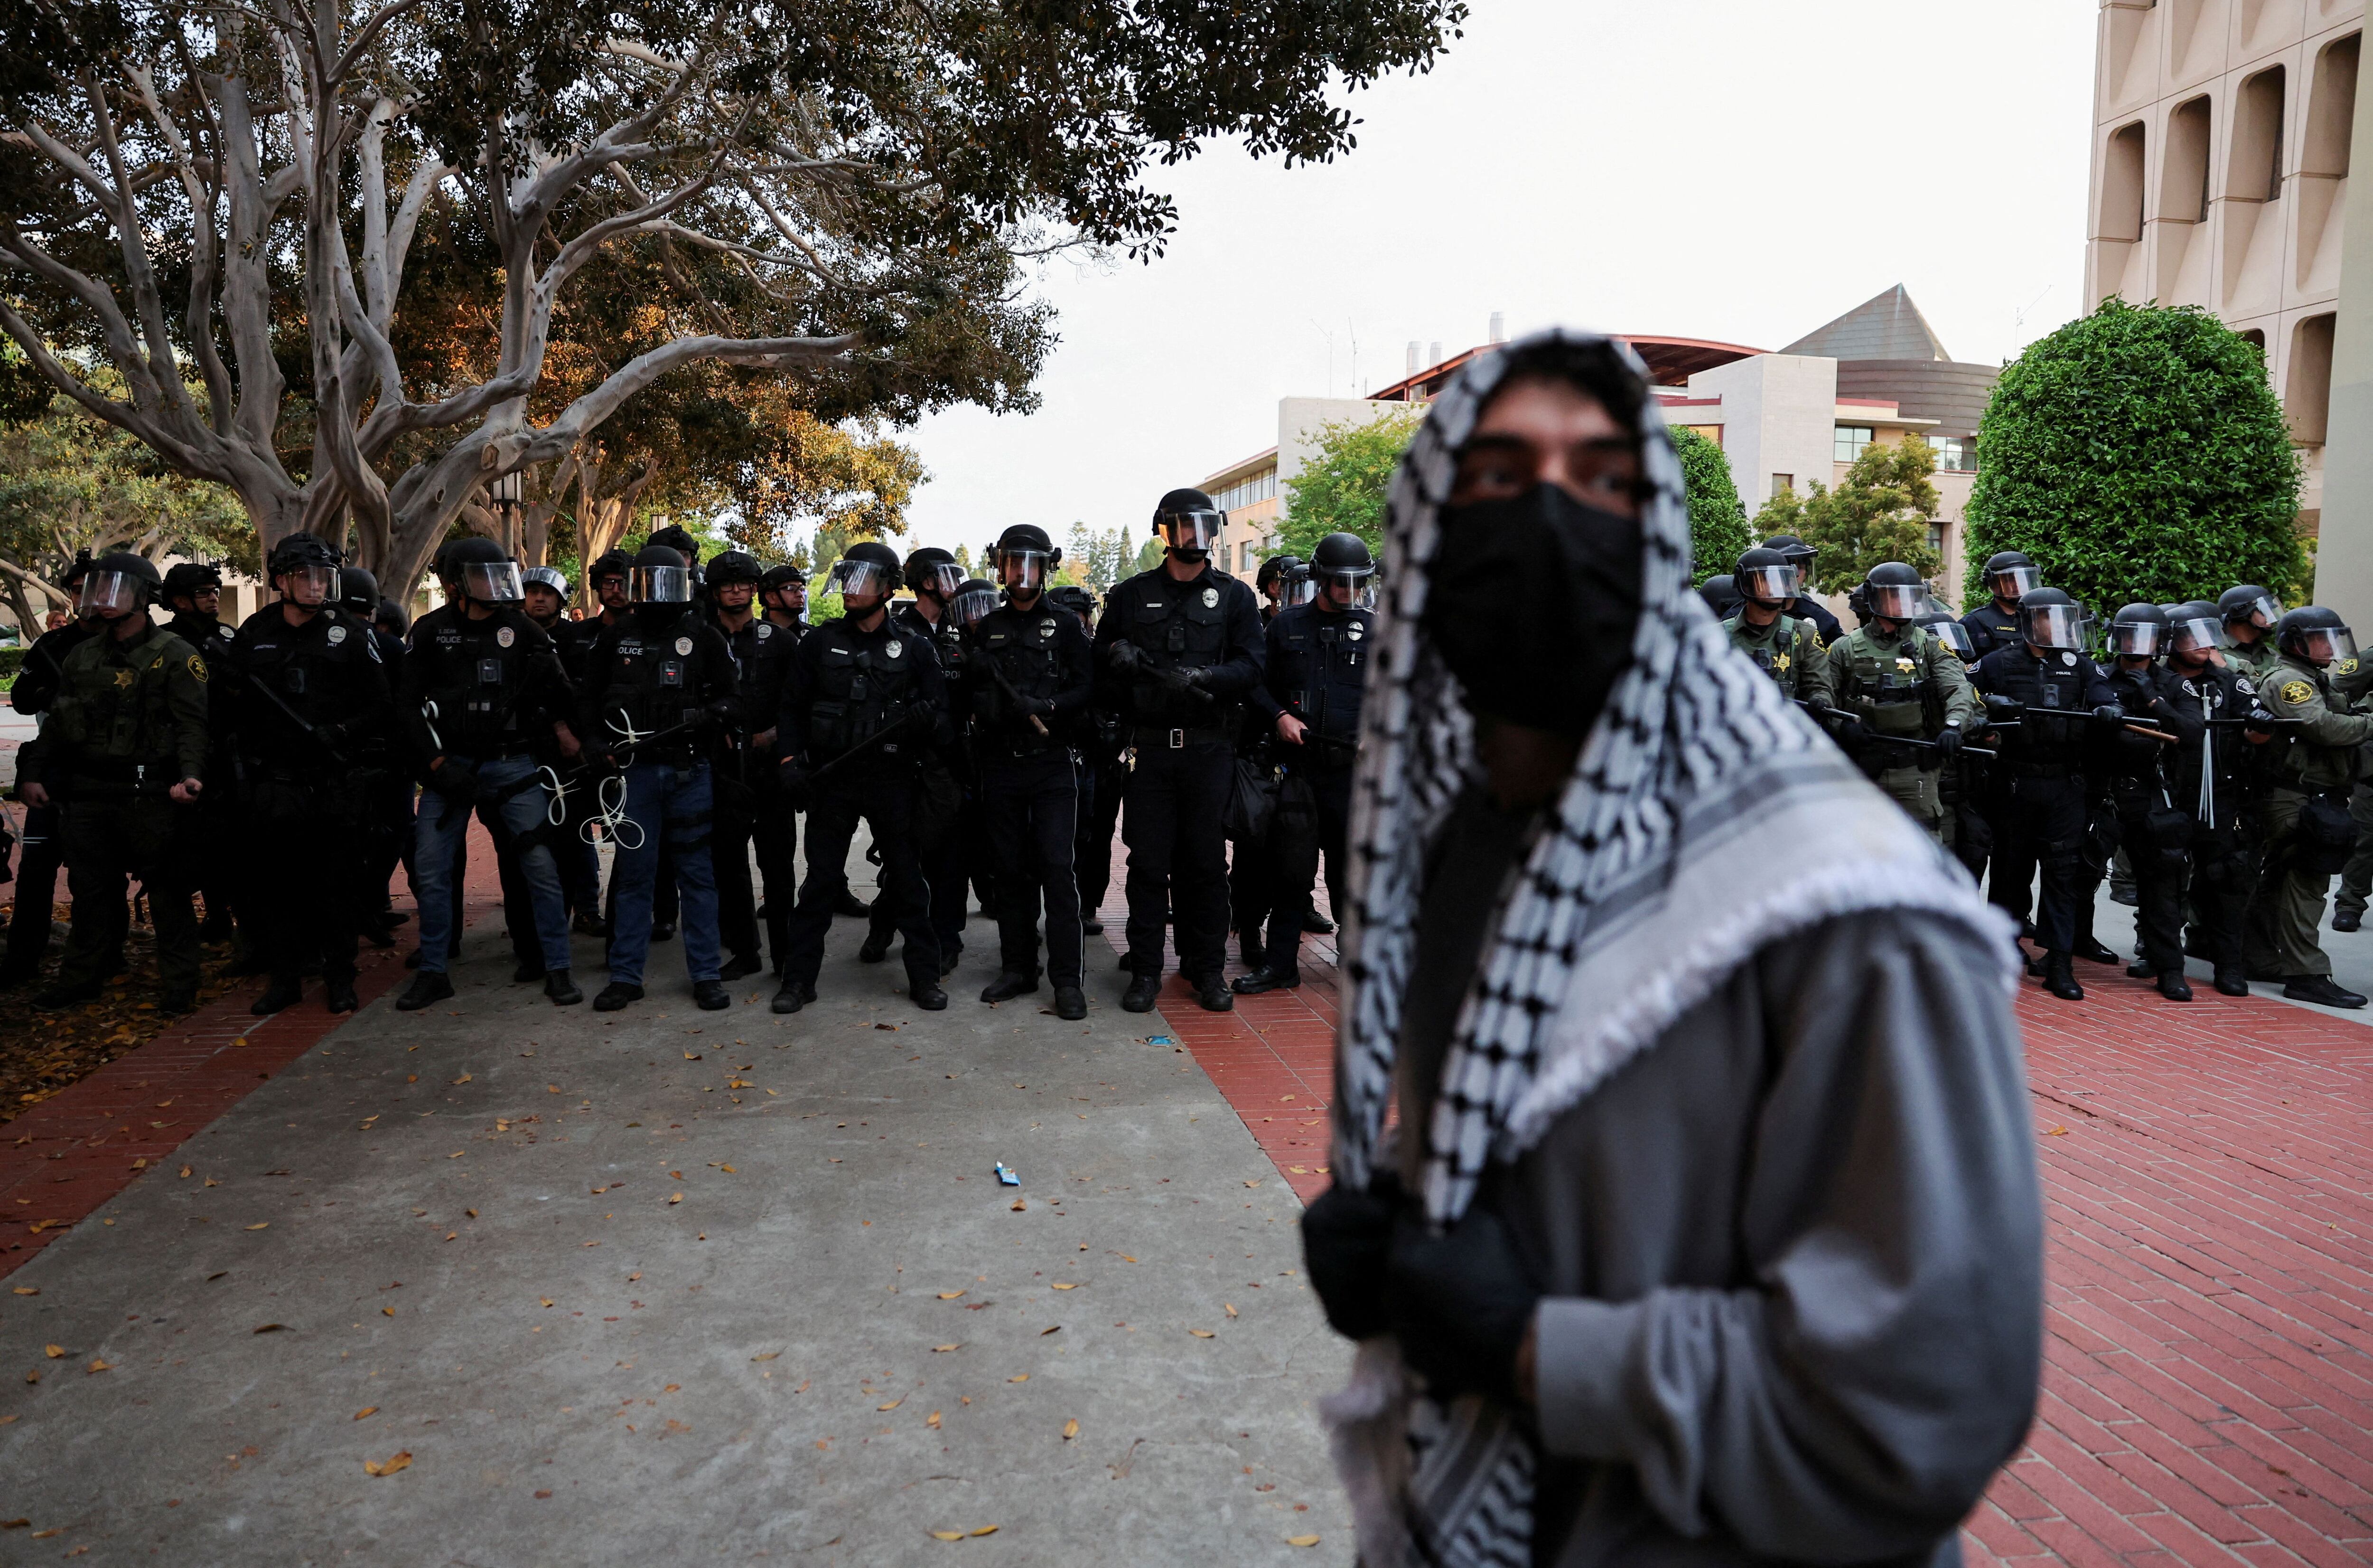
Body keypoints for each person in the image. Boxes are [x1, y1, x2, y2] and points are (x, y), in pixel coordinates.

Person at [1300, 330, 2038, 1568]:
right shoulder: (1461, 838)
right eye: (1496, 476)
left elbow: (1922, 1406)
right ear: (1426, 536)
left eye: (1600, 478)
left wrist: (1535, 1346)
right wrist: (1402, 1211)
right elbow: (1558, 1131)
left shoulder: (1849, 911)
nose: (1546, 516)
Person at [1093, 488, 1266, 1013]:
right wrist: (1116, 654)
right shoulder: (1130, 594)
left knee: (1206, 865)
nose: (1196, 537)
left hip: (1207, 750)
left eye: (1205, 527)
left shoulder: (1234, 596)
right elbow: (1099, 658)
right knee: (1147, 863)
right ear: (1164, 532)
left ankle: (1205, 968)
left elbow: (1252, 665)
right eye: (1184, 527)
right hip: (1148, 752)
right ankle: (1145, 970)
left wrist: (1206, 675)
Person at [395, 537, 583, 1010]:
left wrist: (552, 676)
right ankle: (435, 971)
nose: (496, 584)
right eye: (483, 575)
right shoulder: (431, 630)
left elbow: (565, 700)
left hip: (514, 763)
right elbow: (406, 708)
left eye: (499, 573)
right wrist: (436, 767)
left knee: (540, 867)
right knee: (433, 872)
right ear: (456, 582)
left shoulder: (523, 630)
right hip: (450, 768)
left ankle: (558, 968)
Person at [18, 553, 210, 1013]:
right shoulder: (83, 654)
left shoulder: (176, 653)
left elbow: (192, 725)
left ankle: (180, 984)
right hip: (91, 793)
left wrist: (191, 776)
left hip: (152, 794)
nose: (103, 601)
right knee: (91, 894)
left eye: (117, 591)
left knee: (168, 894)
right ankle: (83, 978)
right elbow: (60, 725)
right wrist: (32, 773)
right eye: (99, 590)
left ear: (144, 598)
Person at [773, 541, 949, 1013]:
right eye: (847, 578)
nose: (851, 590)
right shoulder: (819, 641)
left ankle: (925, 979)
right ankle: (797, 982)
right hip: (833, 780)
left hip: (891, 780)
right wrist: (790, 763)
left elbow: (942, 716)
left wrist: (923, 716)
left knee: (908, 883)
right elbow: (791, 707)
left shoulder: (915, 648)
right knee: (819, 884)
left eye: (863, 580)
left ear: (888, 589)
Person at [227, 534, 395, 1015]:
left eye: (324, 576)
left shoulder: (350, 634)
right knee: (279, 888)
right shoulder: (255, 632)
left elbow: (381, 705)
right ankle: (285, 980)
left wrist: (341, 732)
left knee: (336, 887)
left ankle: (340, 979)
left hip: (334, 783)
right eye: (305, 576)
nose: (317, 585)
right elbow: (233, 707)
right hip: (276, 785)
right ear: (281, 580)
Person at [579, 545, 737, 1012]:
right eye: (650, 582)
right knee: (633, 877)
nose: (659, 594)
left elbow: (733, 698)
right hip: (636, 774)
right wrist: (593, 743)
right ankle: (626, 976)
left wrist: (713, 714)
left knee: (697, 878)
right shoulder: (614, 638)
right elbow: (586, 699)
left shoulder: (704, 638)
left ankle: (706, 974)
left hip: (691, 771)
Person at [1235, 531, 1374, 995]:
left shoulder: (1378, 630)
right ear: (1320, 579)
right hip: (1298, 770)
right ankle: (1280, 965)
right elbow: (1255, 684)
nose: (1350, 592)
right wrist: (1279, 717)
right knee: (1290, 869)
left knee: (1347, 872)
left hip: (1351, 774)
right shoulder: (1287, 626)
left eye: (1358, 583)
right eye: (1341, 582)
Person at [965, 525, 1093, 1018]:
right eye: (1012, 563)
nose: (1021, 574)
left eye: (1031, 564)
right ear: (999, 567)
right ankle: (1018, 968)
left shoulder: (1065, 626)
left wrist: (1049, 705)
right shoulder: (987, 628)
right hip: (1000, 764)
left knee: (1057, 871)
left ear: (1045, 568)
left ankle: (1066, 980)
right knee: (1009, 872)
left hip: (1051, 765)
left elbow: (1088, 688)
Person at [1972, 586, 2122, 1000]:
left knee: (2062, 875)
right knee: (2009, 872)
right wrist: (1988, 705)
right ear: (2027, 622)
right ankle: (2003, 952)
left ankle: (2059, 963)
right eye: (2047, 619)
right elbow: (1966, 701)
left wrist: (2109, 709)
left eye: (2063, 619)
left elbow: (2103, 695)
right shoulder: (1996, 663)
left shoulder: (2080, 665)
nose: (2057, 628)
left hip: (2064, 785)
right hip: (2014, 783)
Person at [2242, 607, 2371, 1007]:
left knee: (2281, 878)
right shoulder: (2288, 681)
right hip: (2294, 794)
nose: (2331, 649)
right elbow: (2325, 727)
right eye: (2321, 640)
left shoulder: (2314, 679)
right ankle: (2307, 972)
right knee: (2309, 878)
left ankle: (2259, 956)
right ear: (2296, 642)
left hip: (2311, 792)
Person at [860, 547, 972, 971]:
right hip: (906, 764)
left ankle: (947, 937)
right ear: (927, 582)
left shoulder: (955, 631)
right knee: (906, 856)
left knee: (950, 857)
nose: (956, 585)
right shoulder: (899, 632)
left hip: (950, 761)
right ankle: (884, 922)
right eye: (948, 576)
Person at [1819, 561, 1975, 842]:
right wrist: (1841, 725)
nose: (1903, 604)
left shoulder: (1930, 645)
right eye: (1894, 596)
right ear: (1874, 597)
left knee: (1925, 851)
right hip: (1862, 767)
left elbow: (1958, 689)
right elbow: (1822, 695)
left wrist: (1954, 726)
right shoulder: (1845, 648)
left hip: (1915, 769)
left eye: (1909, 597)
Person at [0, 555, 100, 987]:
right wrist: (52, 693)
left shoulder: (134, 644)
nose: (88, 599)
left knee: (94, 876)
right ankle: (23, 960)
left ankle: (97, 959)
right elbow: (22, 696)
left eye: (96, 589)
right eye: (78, 591)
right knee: (37, 870)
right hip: (52, 772)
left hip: (103, 781)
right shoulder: (52, 646)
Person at [702, 549, 798, 979]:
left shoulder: (781, 642)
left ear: (755, 591)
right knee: (729, 867)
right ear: (716, 592)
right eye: (728, 585)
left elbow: (799, 704)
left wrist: (772, 737)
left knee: (778, 868)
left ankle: (784, 955)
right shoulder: (700, 639)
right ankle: (745, 951)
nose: (736, 591)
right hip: (721, 770)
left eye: (743, 585)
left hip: (771, 769)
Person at [2159, 601, 2261, 995]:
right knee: (2166, 881)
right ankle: (2164, 962)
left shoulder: (2231, 682)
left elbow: (2256, 729)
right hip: (2171, 795)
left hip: (2221, 796)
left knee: (2227, 882)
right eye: (2191, 636)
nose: (2203, 644)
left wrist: (2260, 728)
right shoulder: (2159, 681)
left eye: (2208, 635)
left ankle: (2229, 967)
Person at [2098, 604, 2196, 1000]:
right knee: (2078, 876)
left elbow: (2192, 733)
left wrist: (2155, 702)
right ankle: (2064, 957)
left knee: (2161, 887)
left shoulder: (2172, 683)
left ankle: (2168, 968)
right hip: (2104, 791)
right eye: (2128, 636)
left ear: (2161, 643)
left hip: (2152, 794)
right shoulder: (2099, 676)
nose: (2136, 646)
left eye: (2146, 638)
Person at [521, 565, 606, 933]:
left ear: (560, 599)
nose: (539, 598)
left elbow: (584, 697)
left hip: (570, 751)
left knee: (577, 829)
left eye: (547, 593)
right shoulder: (511, 635)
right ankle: (539, 915)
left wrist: (573, 736)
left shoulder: (575, 639)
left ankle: (586, 907)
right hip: (523, 748)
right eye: (532, 591)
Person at [343, 566, 415, 949]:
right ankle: (369, 905)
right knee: (395, 834)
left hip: (347, 760)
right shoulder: (388, 647)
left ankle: (365, 907)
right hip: (388, 760)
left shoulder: (331, 641)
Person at [1721, 545, 1830, 704]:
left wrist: (1820, 701)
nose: (1778, 587)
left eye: (1783, 580)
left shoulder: (1804, 635)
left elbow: (1820, 687)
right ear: (1746, 585)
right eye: (1767, 579)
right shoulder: (1717, 636)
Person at [1757, 533, 1843, 643]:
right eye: (1785, 568)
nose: (1794, 574)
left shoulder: (1823, 620)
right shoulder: (1741, 615)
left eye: (1800, 568)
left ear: (1806, 573)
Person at [1961, 551, 2040, 658]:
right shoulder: (1974, 622)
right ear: (1993, 584)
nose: (2017, 585)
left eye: (2023, 579)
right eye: (2010, 580)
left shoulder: (2041, 616)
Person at [2220, 584, 2284, 685]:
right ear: (2242, 614)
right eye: (2264, 612)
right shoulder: (2216, 656)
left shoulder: (2273, 656)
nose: (2271, 618)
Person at [1253, 553, 1304, 623]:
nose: (1302, 598)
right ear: (1273, 588)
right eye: (1292, 586)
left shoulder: (1310, 623)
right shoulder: (1256, 623)